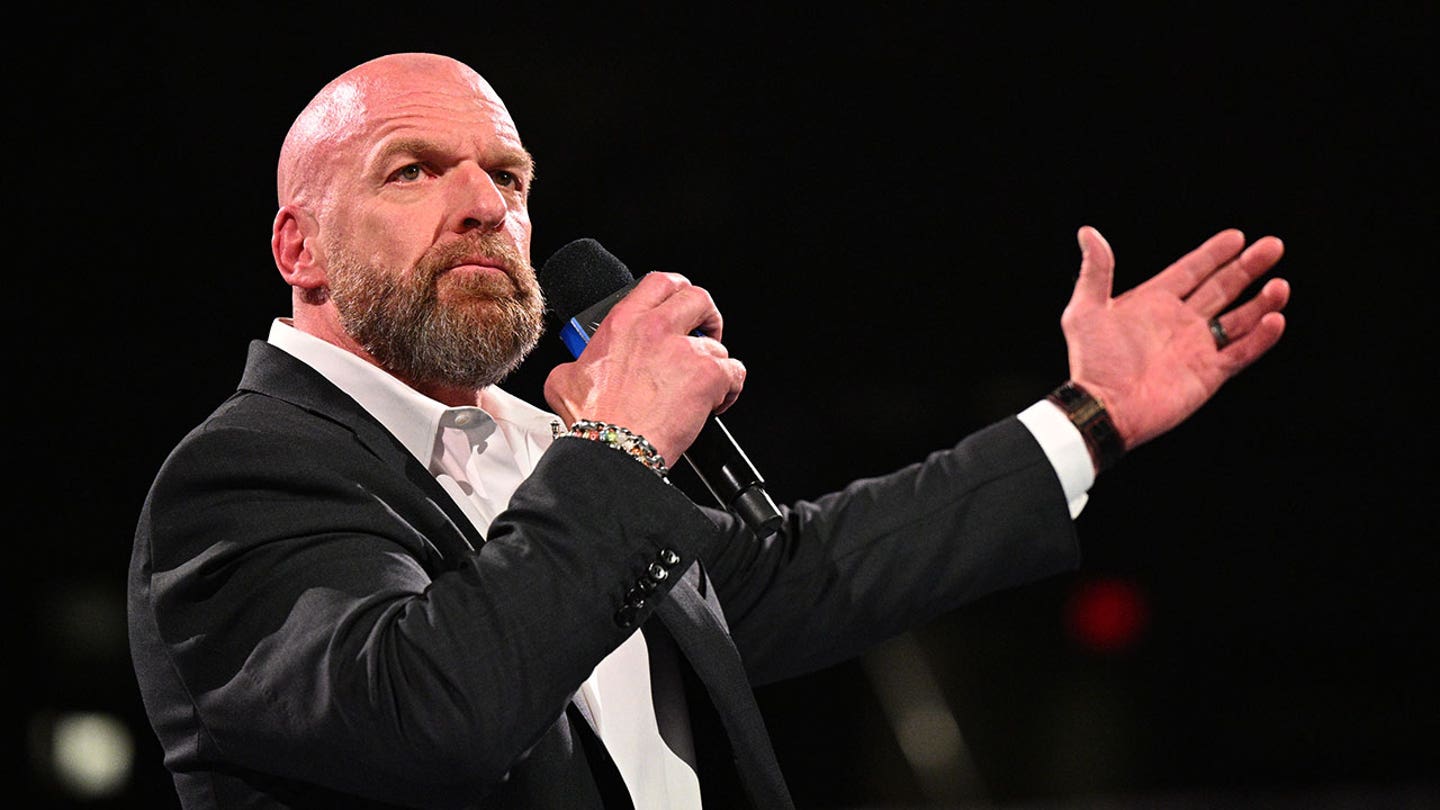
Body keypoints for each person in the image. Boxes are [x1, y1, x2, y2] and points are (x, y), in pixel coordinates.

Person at [127, 51, 1290, 810]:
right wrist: (616, 451)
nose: (485, 204)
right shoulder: (243, 476)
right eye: (413, 171)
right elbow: (428, 717)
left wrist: (1088, 418)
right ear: (300, 249)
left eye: (510, 177)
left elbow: (810, 574)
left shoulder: (543, 452)